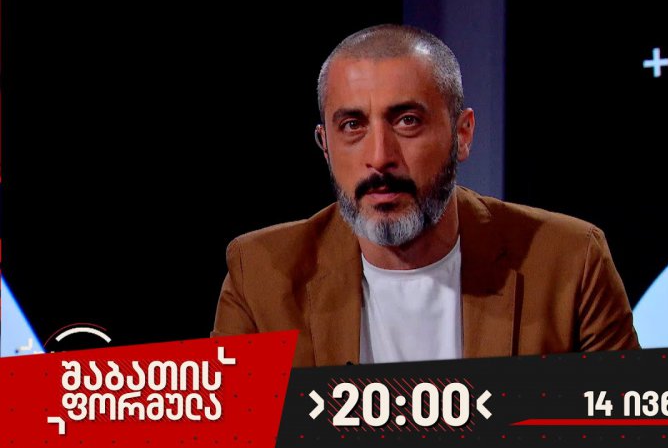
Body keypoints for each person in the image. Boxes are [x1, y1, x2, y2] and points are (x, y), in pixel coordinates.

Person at [211, 24, 639, 367]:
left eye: (407, 121)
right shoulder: (260, 273)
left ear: (462, 134)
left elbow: (628, 428)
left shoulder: (570, 261)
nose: (380, 158)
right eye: (353, 126)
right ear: (325, 146)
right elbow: (228, 432)